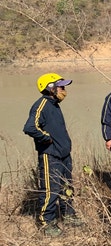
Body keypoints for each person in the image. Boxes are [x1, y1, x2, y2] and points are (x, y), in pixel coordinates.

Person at [24, 73, 84, 237]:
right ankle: (47, 223)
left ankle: (68, 215)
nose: (64, 90)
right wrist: (47, 138)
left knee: (66, 187)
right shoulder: (41, 105)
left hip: (64, 155)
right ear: (50, 88)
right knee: (51, 190)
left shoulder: (55, 104)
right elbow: (30, 127)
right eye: (61, 86)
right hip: (50, 156)